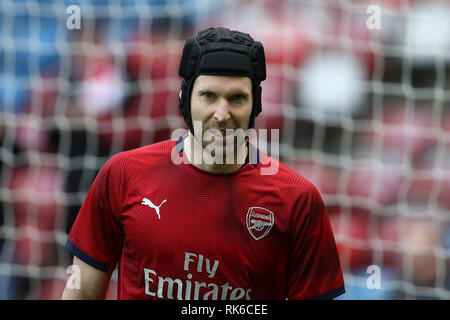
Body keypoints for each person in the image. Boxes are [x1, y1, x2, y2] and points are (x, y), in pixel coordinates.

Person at [61, 27, 344, 300]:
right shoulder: (122, 174)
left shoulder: (298, 199)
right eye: (209, 95)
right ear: (184, 98)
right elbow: (81, 292)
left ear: (255, 105)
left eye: (237, 98)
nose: (222, 114)